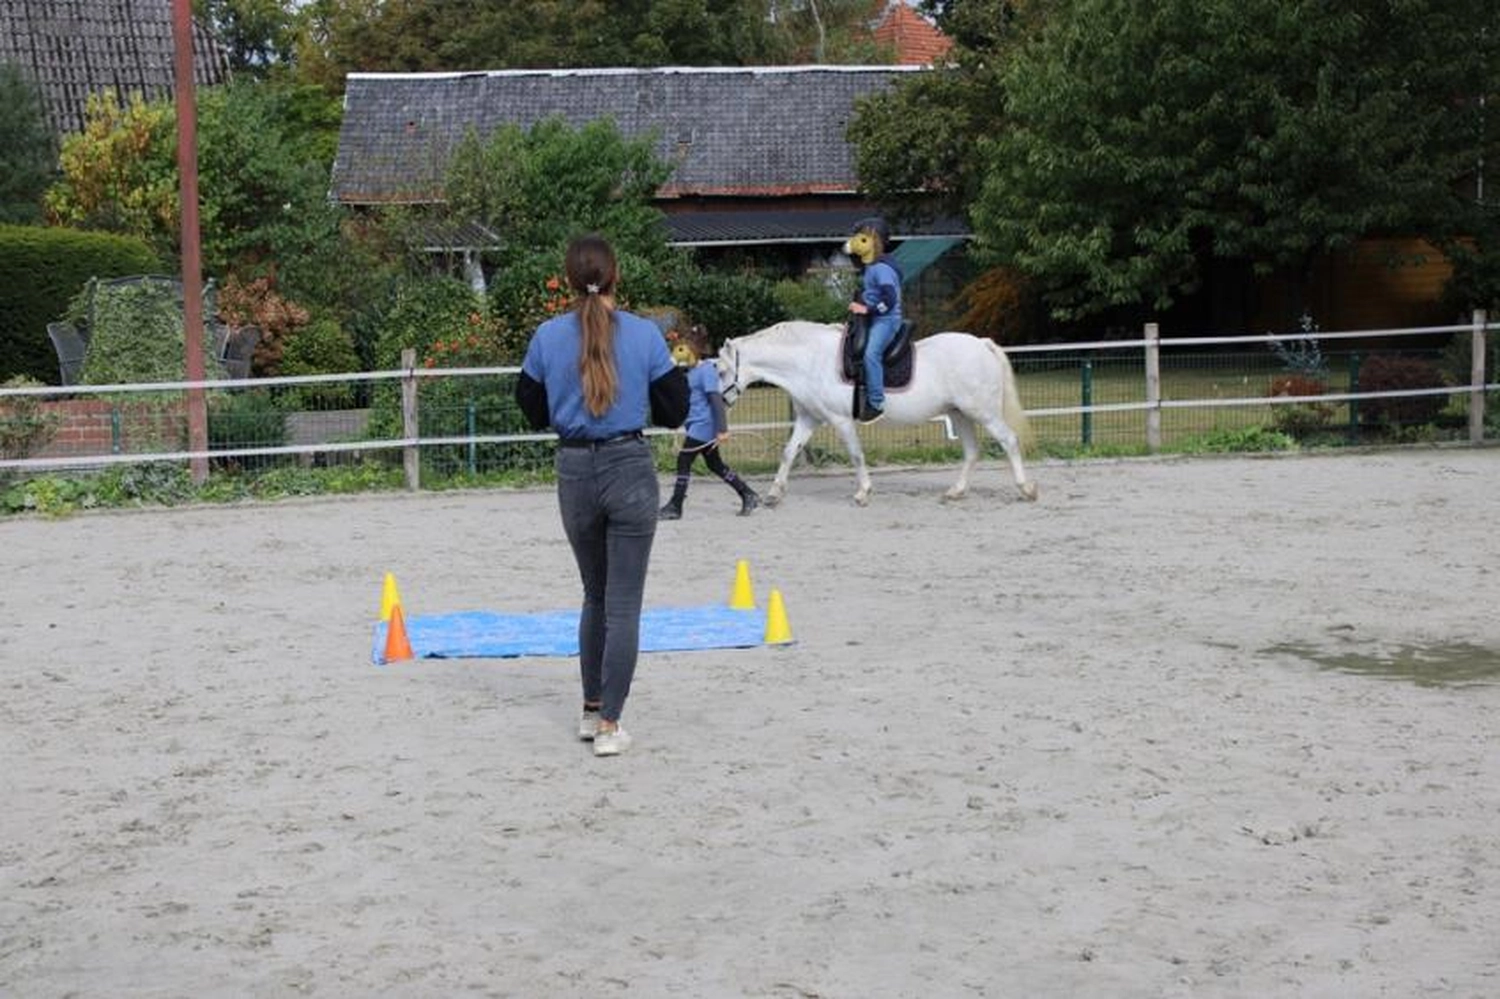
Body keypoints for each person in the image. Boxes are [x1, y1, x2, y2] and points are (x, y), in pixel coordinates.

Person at [515, 234, 689, 757]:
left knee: (594, 596)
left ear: (568, 281)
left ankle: (592, 710)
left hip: (574, 470)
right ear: (616, 277)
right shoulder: (644, 335)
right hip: (629, 468)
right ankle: (612, 723)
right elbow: (674, 410)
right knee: (624, 605)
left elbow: (530, 406)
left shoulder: (547, 337)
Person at [659, 324, 760, 520]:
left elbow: (716, 400)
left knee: (683, 460)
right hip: (696, 424)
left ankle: (675, 505)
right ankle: (747, 494)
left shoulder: (707, 371)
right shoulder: (689, 372)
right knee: (716, 465)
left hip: (704, 425)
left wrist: (722, 429)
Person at [845, 216, 903, 424]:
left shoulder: (882, 269)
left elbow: (890, 299)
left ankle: (876, 402)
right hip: (875, 318)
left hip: (886, 320)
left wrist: (866, 309)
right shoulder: (872, 266)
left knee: (871, 354)